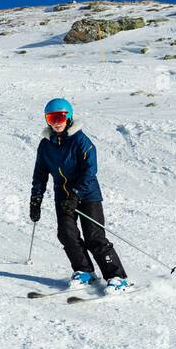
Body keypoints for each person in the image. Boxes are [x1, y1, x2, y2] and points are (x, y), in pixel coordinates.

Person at [30, 98, 130, 291]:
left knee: (94, 236)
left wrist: (76, 195)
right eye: (52, 118)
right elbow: (40, 174)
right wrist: (36, 198)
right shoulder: (45, 145)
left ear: (69, 117)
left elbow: (90, 170)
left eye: (60, 117)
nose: (57, 122)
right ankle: (84, 271)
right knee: (66, 234)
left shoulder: (81, 141)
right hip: (63, 195)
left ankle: (117, 277)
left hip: (87, 194)